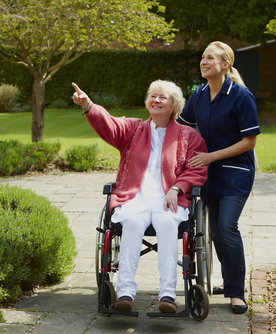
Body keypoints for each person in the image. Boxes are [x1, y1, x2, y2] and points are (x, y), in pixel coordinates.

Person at [71, 80, 208, 312]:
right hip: (135, 199)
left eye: (162, 97)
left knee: (166, 225)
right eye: (153, 96)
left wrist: (177, 188)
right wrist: (88, 106)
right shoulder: (133, 129)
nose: (156, 100)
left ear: (174, 105)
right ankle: (125, 294)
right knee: (132, 224)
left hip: (169, 201)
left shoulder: (189, 137)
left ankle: (167, 296)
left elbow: (197, 169)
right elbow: (110, 125)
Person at [177, 41, 260, 314]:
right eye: (202, 57)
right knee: (214, 234)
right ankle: (230, 282)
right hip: (207, 174)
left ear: (225, 64)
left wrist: (211, 156)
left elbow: (249, 141)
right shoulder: (199, 94)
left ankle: (237, 293)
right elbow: (182, 128)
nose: (204, 61)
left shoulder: (241, 96)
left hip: (236, 173)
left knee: (227, 228)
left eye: (211, 58)